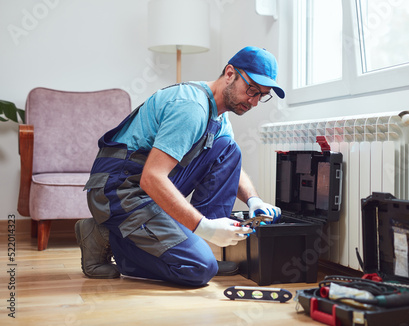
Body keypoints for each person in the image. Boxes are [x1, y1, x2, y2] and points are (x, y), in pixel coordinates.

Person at [75, 46, 285, 287]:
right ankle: (109, 238)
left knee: (228, 150)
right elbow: (152, 177)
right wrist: (203, 226)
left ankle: (191, 243)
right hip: (119, 190)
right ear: (229, 73)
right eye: (252, 90)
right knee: (199, 269)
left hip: (144, 184)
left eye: (262, 95)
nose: (255, 101)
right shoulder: (191, 108)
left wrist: (254, 201)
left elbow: (229, 166)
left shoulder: (218, 114)